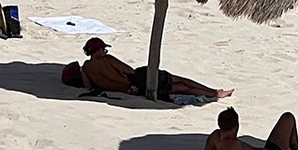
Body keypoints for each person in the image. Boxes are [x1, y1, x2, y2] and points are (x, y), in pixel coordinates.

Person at [80, 37, 233, 100]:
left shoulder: (86, 68)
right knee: (179, 80)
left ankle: (213, 94)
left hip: (130, 90)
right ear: (98, 51)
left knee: (180, 88)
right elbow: (129, 70)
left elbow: (87, 86)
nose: (105, 51)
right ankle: (214, 92)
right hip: (137, 80)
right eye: (103, 49)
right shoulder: (107, 59)